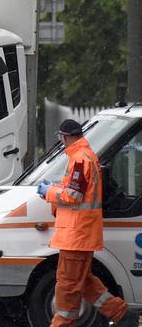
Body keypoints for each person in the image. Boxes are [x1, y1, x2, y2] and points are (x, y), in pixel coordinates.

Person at [38, 119, 138, 327]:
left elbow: (73, 195)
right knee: (83, 281)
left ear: (64, 137)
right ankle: (121, 314)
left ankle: (61, 324)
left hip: (76, 236)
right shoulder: (85, 156)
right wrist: (56, 188)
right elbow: (77, 191)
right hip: (81, 235)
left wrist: (49, 192)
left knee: (67, 285)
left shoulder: (80, 159)